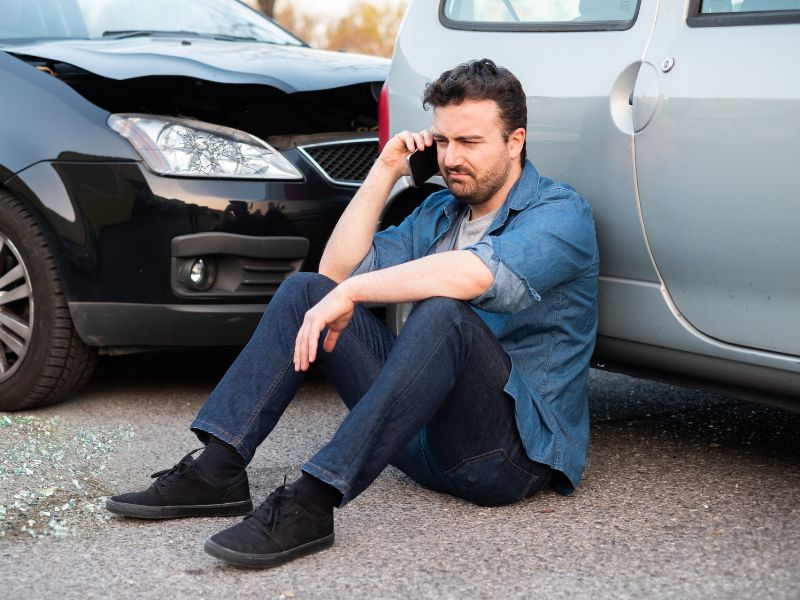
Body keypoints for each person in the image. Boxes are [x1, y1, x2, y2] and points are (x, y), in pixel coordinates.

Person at [106, 58, 599, 569]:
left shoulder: (560, 215)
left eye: (470, 142)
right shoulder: (437, 211)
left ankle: (311, 504)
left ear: (515, 141)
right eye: (444, 141)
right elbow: (337, 269)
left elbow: (474, 275)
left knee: (443, 315)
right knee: (306, 289)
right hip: (416, 443)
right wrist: (384, 172)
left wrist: (354, 293)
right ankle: (216, 472)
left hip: (503, 460)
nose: (451, 158)